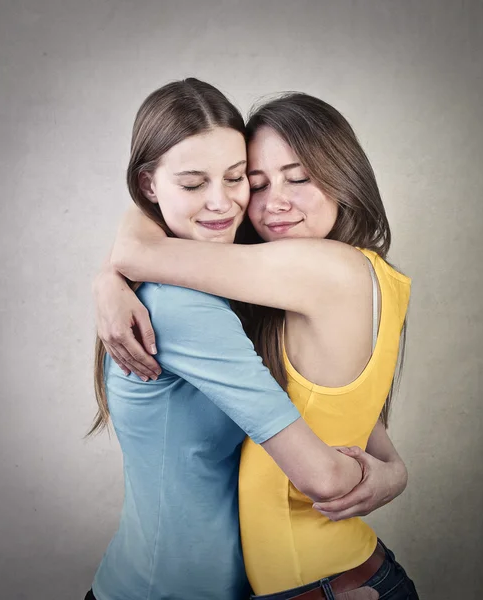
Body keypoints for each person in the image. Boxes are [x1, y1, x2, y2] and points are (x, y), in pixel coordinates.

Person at [94, 87, 418, 599]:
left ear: (343, 174)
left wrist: (109, 277)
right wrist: (386, 472)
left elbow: (136, 249)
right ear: (150, 185)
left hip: (302, 581)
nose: (268, 204)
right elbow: (330, 413)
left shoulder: (308, 270)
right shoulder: (211, 297)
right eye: (258, 182)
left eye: (299, 178)